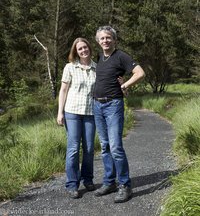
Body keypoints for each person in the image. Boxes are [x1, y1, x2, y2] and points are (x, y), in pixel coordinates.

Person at [93, 26, 145, 203]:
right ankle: (109, 182)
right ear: (98, 41)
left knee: (115, 147)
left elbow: (140, 73)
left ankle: (125, 185)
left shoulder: (121, 56)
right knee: (105, 146)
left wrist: (125, 85)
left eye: (108, 38)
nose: (105, 41)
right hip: (97, 105)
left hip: (113, 105)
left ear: (114, 40)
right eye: (102, 38)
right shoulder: (100, 57)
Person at [57, 38, 96, 199]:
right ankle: (72, 184)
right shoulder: (70, 67)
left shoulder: (97, 68)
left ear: (89, 48)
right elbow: (63, 90)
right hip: (72, 112)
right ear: (76, 51)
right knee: (73, 149)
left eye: (85, 47)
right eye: (79, 49)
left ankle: (87, 179)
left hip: (90, 113)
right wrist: (60, 112)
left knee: (88, 149)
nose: (83, 50)